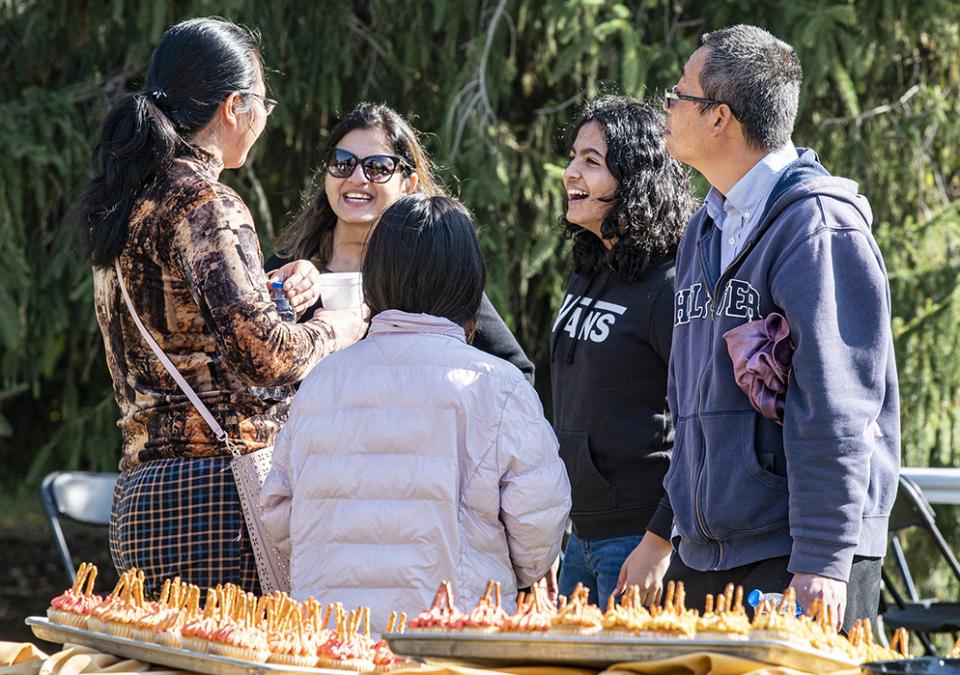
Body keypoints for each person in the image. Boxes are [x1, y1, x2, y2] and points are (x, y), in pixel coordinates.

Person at [616, 25, 900, 632]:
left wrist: (823, 557)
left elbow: (838, 406)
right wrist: (662, 533)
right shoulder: (703, 228)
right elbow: (693, 405)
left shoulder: (817, 227)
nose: (666, 103)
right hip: (708, 553)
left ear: (719, 118)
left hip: (799, 557)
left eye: (679, 93)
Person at [73, 18, 364, 594]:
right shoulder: (206, 200)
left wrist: (270, 291)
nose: (266, 118)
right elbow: (268, 358)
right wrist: (338, 326)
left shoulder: (129, 201)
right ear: (234, 107)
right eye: (263, 101)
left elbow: (183, 334)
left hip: (139, 496)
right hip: (214, 498)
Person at [261, 194, 571, 634]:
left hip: (332, 639)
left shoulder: (321, 381)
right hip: (455, 640)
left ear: (375, 278)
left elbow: (278, 512)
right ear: (469, 284)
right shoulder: (497, 388)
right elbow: (538, 528)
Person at [268, 102, 535, 383]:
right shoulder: (286, 273)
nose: (357, 178)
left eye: (377, 167)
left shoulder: (433, 269)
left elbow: (516, 372)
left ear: (408, 184)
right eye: (343, 163)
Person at [551, 96, 693, 607]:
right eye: (573, 157)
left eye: (591, 161)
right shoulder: (589, 267)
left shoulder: (673, 283)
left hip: (637, 540)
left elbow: (700, 423)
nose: (571, 172)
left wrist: (660, 536)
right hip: (578, 537)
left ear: (634, 178)